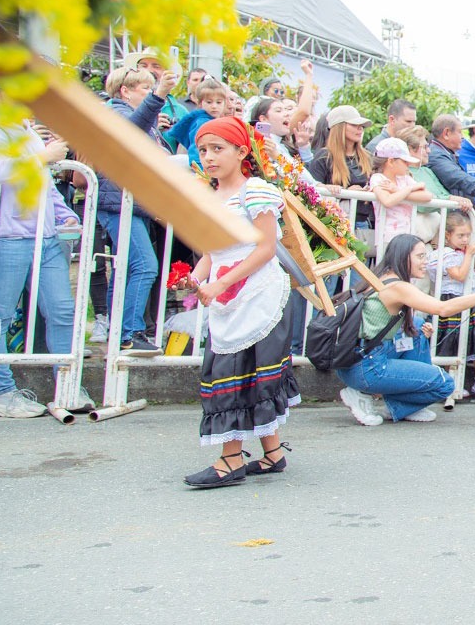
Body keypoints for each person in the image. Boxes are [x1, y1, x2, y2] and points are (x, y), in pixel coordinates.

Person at [177, 117, 300, 488]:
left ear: (242, 151)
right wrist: (196, 279)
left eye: (218, 149)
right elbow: (214, 253)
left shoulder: (256, 191)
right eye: (204, 150)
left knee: (237, 373)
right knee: (235, 371)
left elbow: (265, 249)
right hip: (228, 296)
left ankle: (230, 460)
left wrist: (220, 283)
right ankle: (273, 453)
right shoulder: (210, 197)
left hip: (258, 293)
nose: (209, 157)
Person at [0, 94, 90, 417]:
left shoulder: (26, 129)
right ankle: (2, 394)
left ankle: (68, 385)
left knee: (61, 311)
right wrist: (44, 155)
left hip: (43, 237)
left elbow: (42, 183)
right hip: (3, 236)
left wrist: (64, 215)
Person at [335, 234, 475, 426]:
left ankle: (398, 405)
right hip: (368, 368)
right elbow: (442, 309)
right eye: (420, 256)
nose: (425, 262)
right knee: (445, 384)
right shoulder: (398, 287)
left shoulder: (381, 277)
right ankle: (365, 395)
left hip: (356, 360)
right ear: (404, 257)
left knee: (418, 325)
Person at [102, 65, 174, 355]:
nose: (149, 93)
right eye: (144, 88)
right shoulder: (114, 112)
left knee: (125, 270)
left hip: (131, 203)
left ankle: (118, 332)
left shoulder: (135, 117)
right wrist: (159, 95)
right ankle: (129, 333)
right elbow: (131, 133)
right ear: (125, 91)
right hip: (119, 202)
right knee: (145, 266)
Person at [427, 210, 475, 398]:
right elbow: (460, 276)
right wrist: (470, 256)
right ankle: (449, 382)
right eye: (460, 235)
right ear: (448, 235)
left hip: (468, 299)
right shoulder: (446, 254)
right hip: (450, 299)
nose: (465, 239)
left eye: (468, 235)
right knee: (450, 341)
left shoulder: (463, 253)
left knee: (473, 339)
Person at [308, 105, 376, 244]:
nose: (360, 129)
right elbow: (312, 191)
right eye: (354, 124)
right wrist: (344, 193)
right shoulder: (324, 156)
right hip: (334, 225)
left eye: (362, 126)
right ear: (339, 127)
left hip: (363, 222)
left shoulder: (367, 157)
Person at [369, 138, 431, 247]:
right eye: (405, 161)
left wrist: (397, 191)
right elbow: (387, 201)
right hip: (387, 238)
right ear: (391, 161)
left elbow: (427, 196)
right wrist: (409, 189)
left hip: (408, 236)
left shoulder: (405, 179)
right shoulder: (378, 178)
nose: (408, 165)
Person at [123, 48, 190, 132]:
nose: (149, 70)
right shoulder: (123, 107)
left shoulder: (180, 111)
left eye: (156, 66)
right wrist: (152, 128)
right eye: (143, 66)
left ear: (167, 72)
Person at [166, 77, 227, 166]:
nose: (214, 106)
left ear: (224, 103)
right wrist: (201, 170)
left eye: (218, 102)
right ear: (200, 103)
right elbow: (196, 149)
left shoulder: (214, 121)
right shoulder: (202, 123)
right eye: (209, 102)